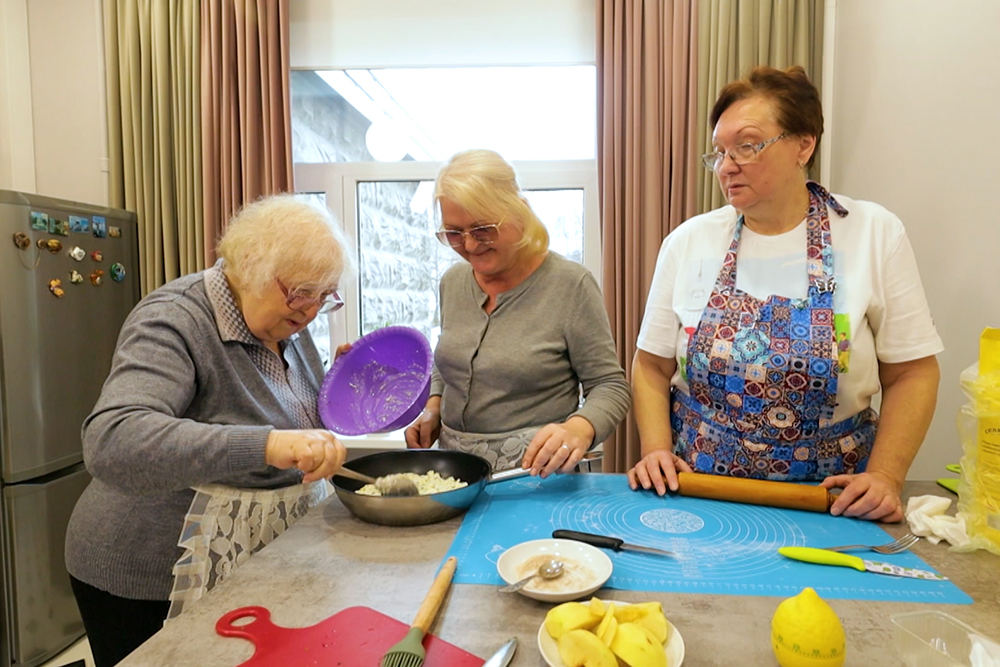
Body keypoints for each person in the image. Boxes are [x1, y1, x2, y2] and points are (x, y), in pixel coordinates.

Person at [627, 66, 942, 523]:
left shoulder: (873, 232)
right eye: (718, 152)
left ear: (803, 145)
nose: (726, 164)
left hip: (830, 502)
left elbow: (913, 372)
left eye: (747, 145)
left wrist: (887, 476)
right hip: (700, 492)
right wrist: (655, 449)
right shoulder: (689, 241)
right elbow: (650, 366)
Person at [64, 195, 353, 667]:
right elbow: (113, 439)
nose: (311, 311)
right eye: (302, 292)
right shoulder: (175, 317)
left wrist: (337, 389)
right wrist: (266, 444)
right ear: (250, 264)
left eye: (325, 295)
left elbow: (291, 416)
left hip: (245, 556)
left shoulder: (286, 322)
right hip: (149, 570)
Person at [405, 149, 631, 476]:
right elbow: (450, 360)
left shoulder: (570, 285)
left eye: (483, 229)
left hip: (537, 477)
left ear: (518, 212)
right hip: (456, 474)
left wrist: (579, 429)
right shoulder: (453, 282)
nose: (468, 246)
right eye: (454, 233)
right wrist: (433, 408)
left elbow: (610, 386)